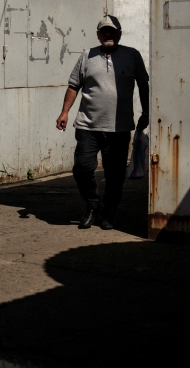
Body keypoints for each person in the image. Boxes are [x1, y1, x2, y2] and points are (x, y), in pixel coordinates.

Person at [55, 15, 149, 231]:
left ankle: (110, 212)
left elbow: (143, 84)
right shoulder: (87, 56)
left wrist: (146, 112)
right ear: (98, 35)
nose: (108, 34)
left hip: (119, 128)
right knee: (82, 167)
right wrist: (64, 113)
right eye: (104, 31)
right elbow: (74, 85)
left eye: (112, 31)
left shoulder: (132, 55)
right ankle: (92, 205)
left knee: (115, 175)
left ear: (119, 34)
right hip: (87, 126)